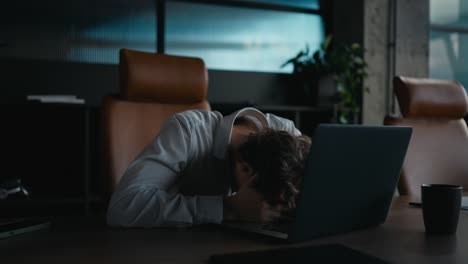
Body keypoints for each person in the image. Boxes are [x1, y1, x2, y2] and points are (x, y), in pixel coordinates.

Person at [107, 107, 311, 227]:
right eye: (270, 202)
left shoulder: (288, 133)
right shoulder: (188, 131)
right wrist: (228, 208)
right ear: (244, 168)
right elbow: (123, 207)